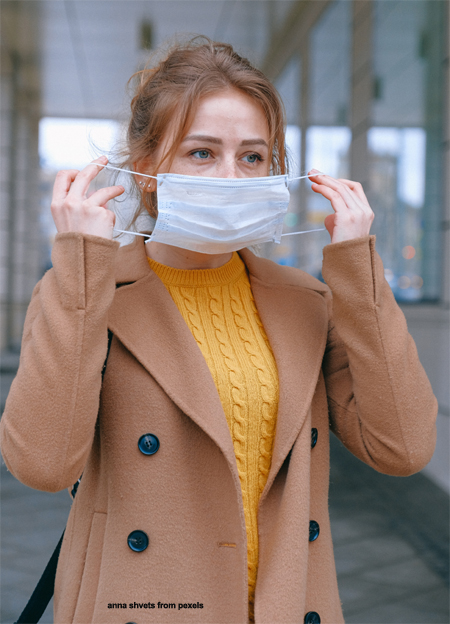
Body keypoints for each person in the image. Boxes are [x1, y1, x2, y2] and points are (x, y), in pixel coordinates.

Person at [0, 37, 437, 624]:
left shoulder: (305, 301)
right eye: (202, 153)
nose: (231, 177)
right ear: (148, 168)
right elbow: (43, 465)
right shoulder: (88, 294)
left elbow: (403, 448)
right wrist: (80, 263)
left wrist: (359, 272)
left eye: (253, 157)